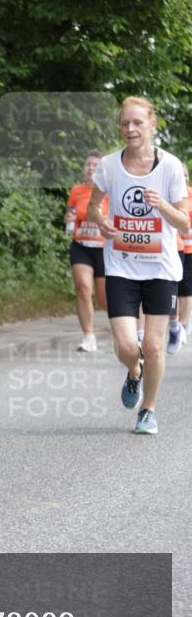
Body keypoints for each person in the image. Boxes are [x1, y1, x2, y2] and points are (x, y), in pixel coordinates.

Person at [88, 97, 189, 435]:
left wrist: (162, 206)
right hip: (120, 267)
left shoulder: (171, 167)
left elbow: (185, 224)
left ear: (152, 125)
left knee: (155, 345)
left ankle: (148, 409)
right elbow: (93, 207)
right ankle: (134, 372)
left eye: (137, 123)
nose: (130, 129)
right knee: (128, 346)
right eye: (124, 124)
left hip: (160, 269)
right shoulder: (108, 165)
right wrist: (101, 221)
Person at [63, 151, 108, 352]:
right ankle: (88, 337)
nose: (91, 168)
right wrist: (68, 219)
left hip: (104, 249)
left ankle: (125, 329)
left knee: (105, 299)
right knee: (82, 288)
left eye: (95, 165)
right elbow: (71, 213)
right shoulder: (76, 191)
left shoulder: (108, 191)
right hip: (81, 246)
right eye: (88, 164)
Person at [167, 162, 192, 354]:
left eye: (185, 175)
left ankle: (182, 324)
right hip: (173, 246)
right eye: (180, 176)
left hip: (189, 247)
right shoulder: (171, 194)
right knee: (175, 287)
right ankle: (177, 325)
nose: (183, 179)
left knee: (185, 289)